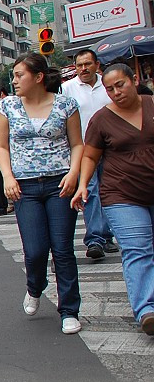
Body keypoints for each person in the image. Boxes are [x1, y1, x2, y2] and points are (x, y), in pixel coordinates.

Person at [0, 53, 84, 335]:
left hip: (60, 183)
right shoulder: (7, 106)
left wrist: (73, 173)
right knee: (34, 251)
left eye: (19, 75)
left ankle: (69, 310)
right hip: (25, 187)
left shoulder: (66, 105)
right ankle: (35, 287)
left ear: (38, 77)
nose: (14, 81)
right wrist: (8, 177)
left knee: (62, 249)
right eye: (13, 75)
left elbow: (77, 144)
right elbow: (2, 147)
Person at [71, 64, 154, 334]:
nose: (116, 92)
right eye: (110, 89)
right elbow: (91, 156)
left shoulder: (152, 105)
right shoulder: (101, 119)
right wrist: (83, 185)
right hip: (122, 194)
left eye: (121, 85)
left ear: (134, 80)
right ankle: (147, 309)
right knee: (137, 248)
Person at [61, 49, 117, 260]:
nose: (83, 69)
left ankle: (107, 235)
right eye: (79, 65)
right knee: (91, 191)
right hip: (84, 150)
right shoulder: (67, 89)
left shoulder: (108, 84)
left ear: (96, 65)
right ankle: (94, 240)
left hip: (112, 149)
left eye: (87, 64)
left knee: (111, 192)